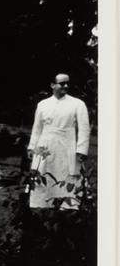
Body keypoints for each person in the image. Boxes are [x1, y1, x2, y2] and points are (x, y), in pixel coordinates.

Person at [27, 73, 90, 210]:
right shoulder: (43, 104)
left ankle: (67, 208)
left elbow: (84, 129)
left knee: (65, 174)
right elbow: (37, 128)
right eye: (62, 83)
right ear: (52, 85)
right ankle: (42, 207)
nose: (66, 86)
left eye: (68, 83)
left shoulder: (78, 104)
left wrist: (81, 150)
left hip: (66, 145)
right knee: (43, 174)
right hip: (45, 146)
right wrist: (32, 147)